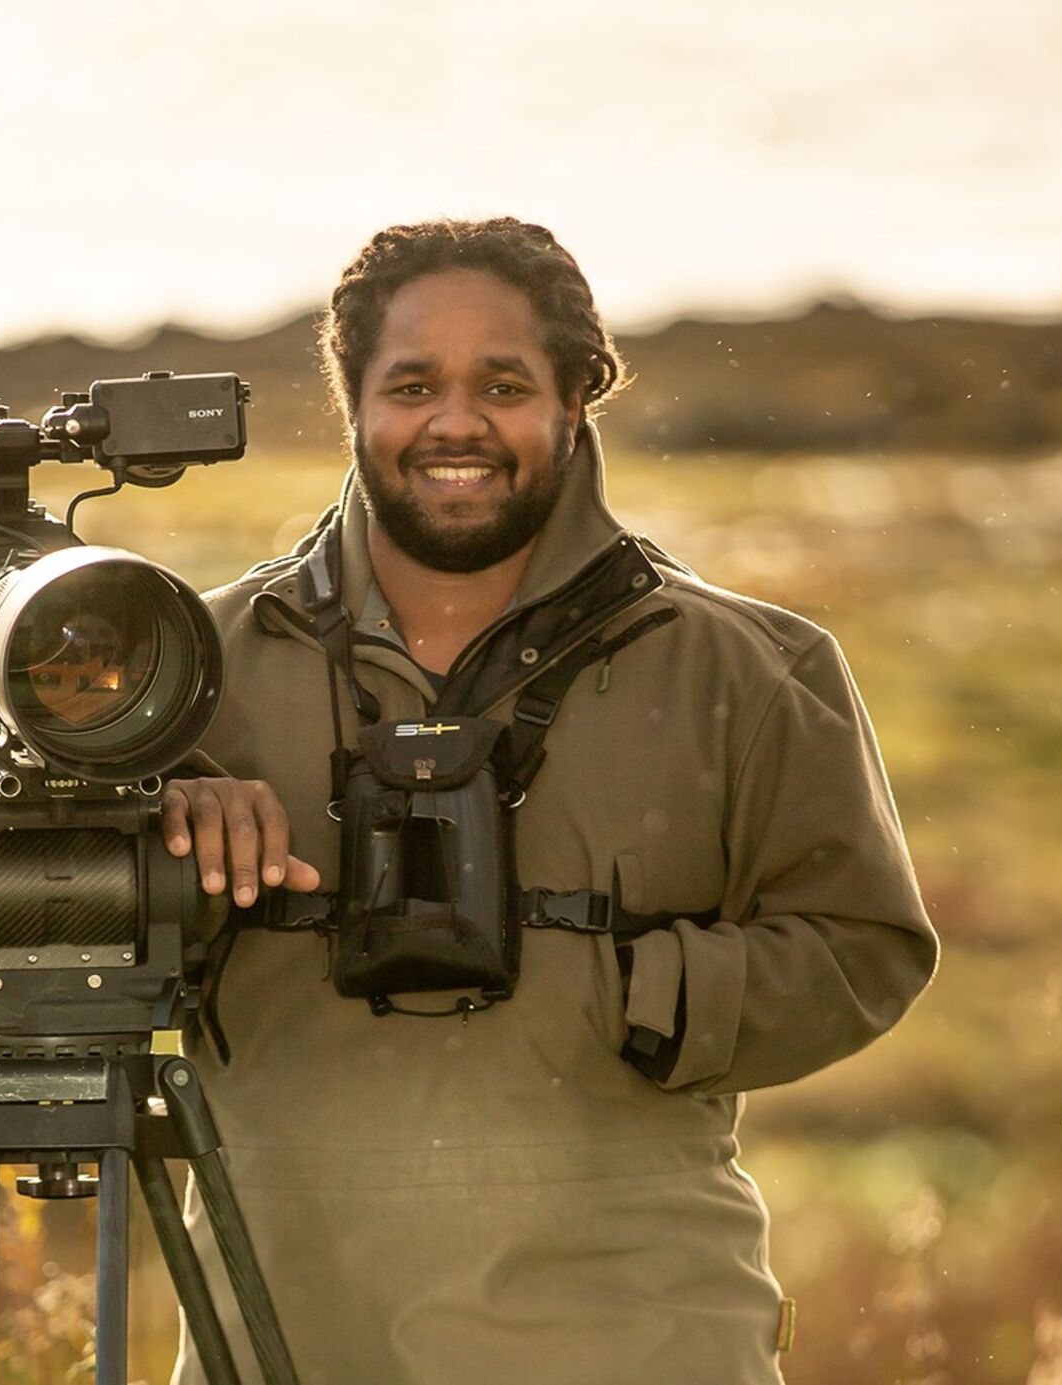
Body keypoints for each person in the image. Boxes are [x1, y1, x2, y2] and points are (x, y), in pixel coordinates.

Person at [158, 217, 939, 1383]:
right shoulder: (186, 672)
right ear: (354, 404)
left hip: (636, 1325)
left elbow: (863, 946)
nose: (455, 423)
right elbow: (38, 935)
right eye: (412, 383)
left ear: (576, 399)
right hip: (284, 1324)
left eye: (504, 384)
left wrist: (629, 993)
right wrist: (154, 827)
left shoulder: (749, 667)